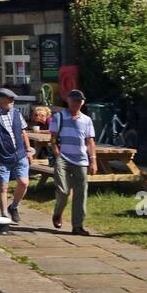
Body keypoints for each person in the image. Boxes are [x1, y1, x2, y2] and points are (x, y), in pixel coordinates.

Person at [49, 89, 98, 235]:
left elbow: (90, 141)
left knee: (81, 193)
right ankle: (58, 213)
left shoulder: (87, 120)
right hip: (63, 158)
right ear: (68, 101)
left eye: (79, 101)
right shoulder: (58, 116)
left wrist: (93, 160)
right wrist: (57, 155)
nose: (77, 103)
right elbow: (52, 138)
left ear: (83, 102)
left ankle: (78, 226)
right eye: (74, 100)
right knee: (63, 191)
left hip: (81, 160)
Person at [0, 87, 33, 222]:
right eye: (9, 99)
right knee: (3, 186)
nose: (12, 101)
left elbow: (23, 132)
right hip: (2, 155)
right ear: (1, 99)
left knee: (24, 183)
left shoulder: (16, 113)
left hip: (20, 154)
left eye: (13, 99)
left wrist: (28, 150)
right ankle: (4, 214)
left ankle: (14, 206)